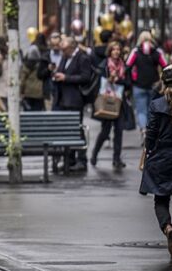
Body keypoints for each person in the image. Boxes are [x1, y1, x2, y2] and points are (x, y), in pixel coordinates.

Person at [140, 65, 172, 259]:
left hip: (161, 156)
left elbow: (151, 133)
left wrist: (148, 148)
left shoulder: (157, 104)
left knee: (161, 198)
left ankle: (167, 227)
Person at [53, 35, 95, 170]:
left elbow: (85, 77)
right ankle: (69, 159)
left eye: (64, 47)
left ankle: (82, 159)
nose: (62, 50)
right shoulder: (65, 57)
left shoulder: (82, 58)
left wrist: (66, 78)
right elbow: (61, 70)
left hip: (75, 99)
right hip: (63, 99)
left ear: (71, 46)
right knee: (66, 130)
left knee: (77, 128)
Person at [91, 40, 129, 169]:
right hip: (107, 102)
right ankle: (95, 154)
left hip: (119, 102)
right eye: (114, 49)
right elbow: (100, 82)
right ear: (110, 52)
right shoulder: (104, 65)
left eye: (118, 49)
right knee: (105, 131)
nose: (116, 52)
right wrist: (110, 79)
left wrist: (120, 80)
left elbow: (129, 84)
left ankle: (116, 159)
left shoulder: (124, 66)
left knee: (119, 131)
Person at [127, 31, 168, 135]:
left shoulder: (135, 51)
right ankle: (150, 132)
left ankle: (143, 129)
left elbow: (128, 66)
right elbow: (165, 66)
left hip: (138, 85)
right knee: (151, 110)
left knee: (141, 111)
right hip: (153, 85)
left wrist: (131, 80)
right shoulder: (157, 52)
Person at [22, 30, 50, 112]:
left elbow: (24, 72)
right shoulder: (47, 52)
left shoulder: (32, 51)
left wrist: (21, 89)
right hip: (42, 89)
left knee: (28, 112)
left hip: (30, 89)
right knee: (39, 111)